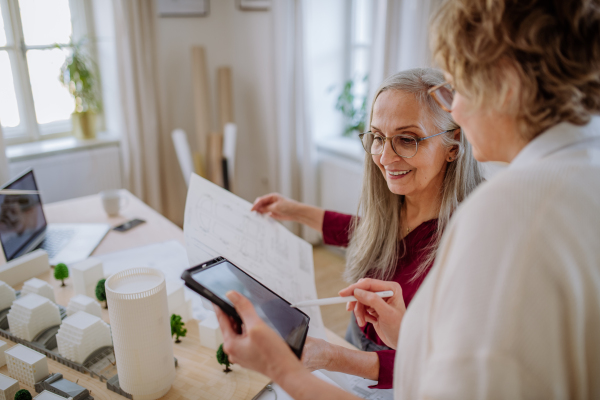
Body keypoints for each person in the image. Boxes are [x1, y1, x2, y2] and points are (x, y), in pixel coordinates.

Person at [216, 0, 600, 398]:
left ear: (506, 82)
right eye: (378, 138)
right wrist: (410, 336)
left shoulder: (502, 213)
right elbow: (366, 231)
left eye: (462, 87)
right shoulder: (575, 176)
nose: (460, 111)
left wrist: (286, 368)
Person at [251, 68, 482, 388]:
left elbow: (436, 365)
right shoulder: (400, 203)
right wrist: (295, 211)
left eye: (406, 139)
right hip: (354, 342)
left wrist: (330, 356)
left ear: (453, 145)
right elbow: (367, 231)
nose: (385, 157)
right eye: (377, 137)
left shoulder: (469, 242)